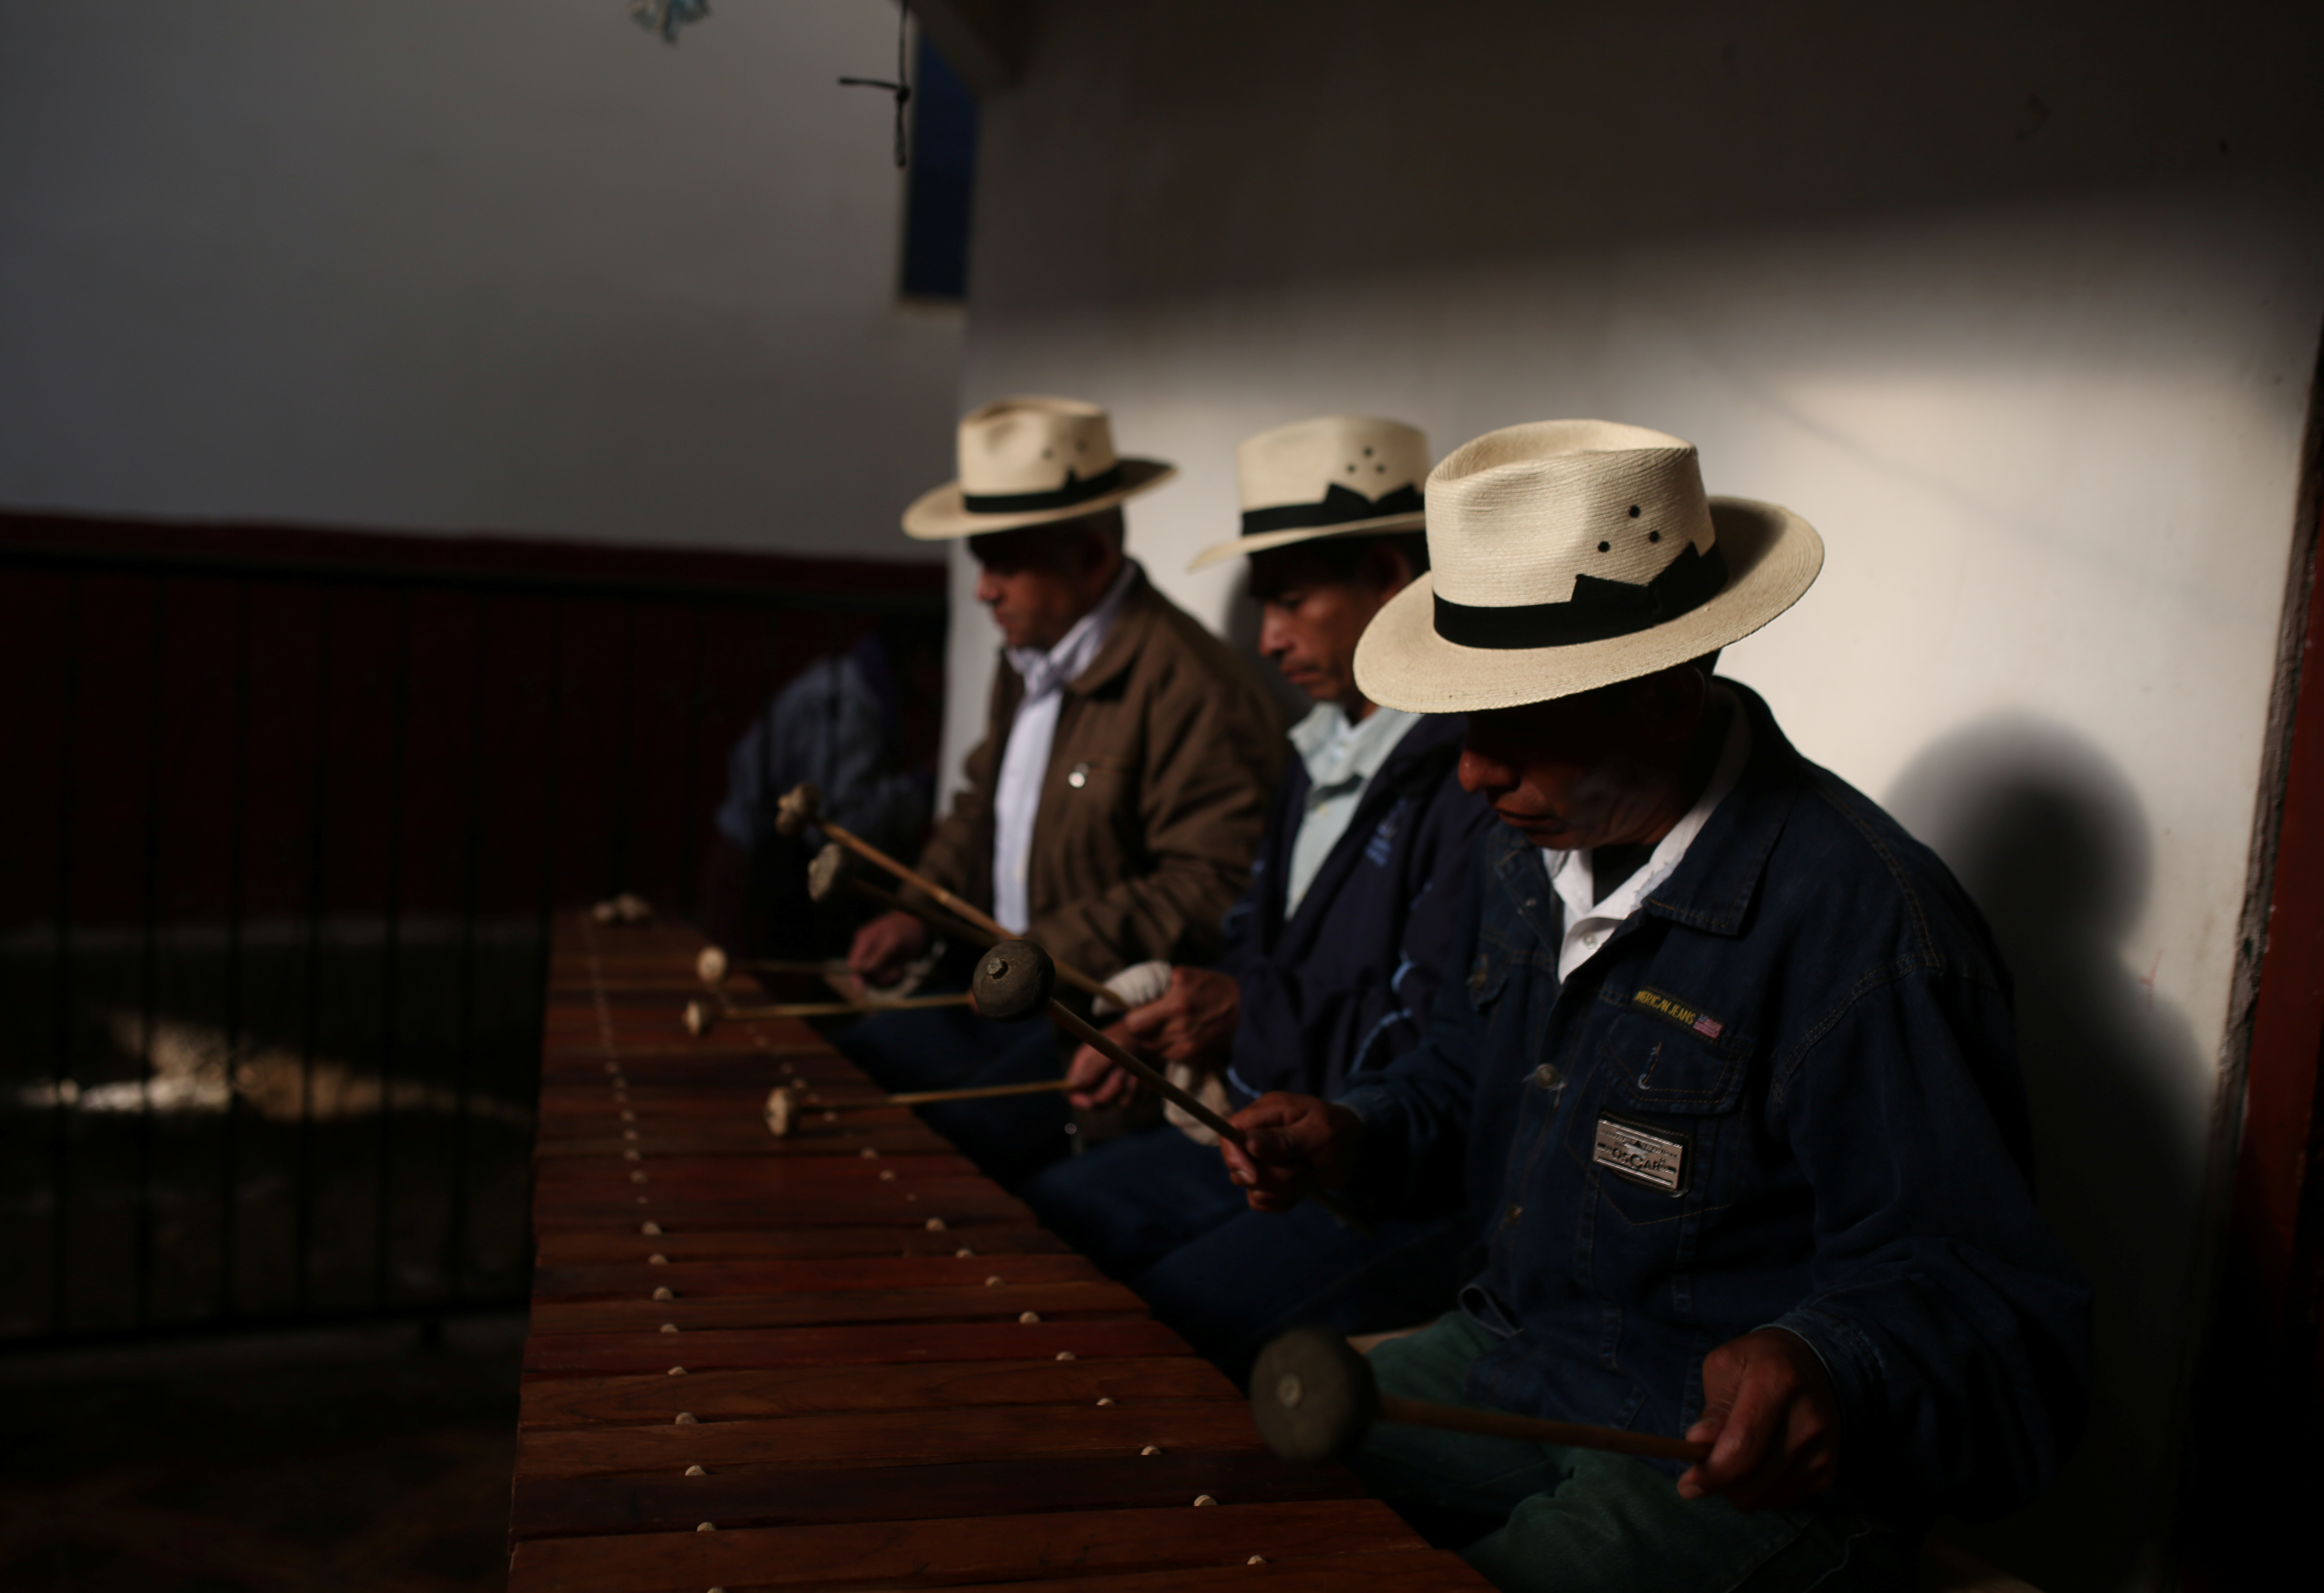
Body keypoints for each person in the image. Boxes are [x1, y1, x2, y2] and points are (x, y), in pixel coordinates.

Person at [1220, 420, 2093, 1591]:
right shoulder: (1523, 853)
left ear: (1666, 700)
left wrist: (1823, 1360)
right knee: (1228, 1472)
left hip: (1711, 1456)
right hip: (1515, 1357)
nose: (1472, 772)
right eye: (1463, 718)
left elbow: (1987, 1304)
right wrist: (1357, 1131)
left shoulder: (1872, 929)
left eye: (1515, 718)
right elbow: (1459, 1077)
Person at [1019, 417, 1491, 1369]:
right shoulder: (1315, 746)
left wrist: (1241, 1012)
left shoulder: (1472, 772)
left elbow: (1428, 1042)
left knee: (1153, 1322)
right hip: (1254, 1135)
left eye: (1290, 602)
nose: (1267, 640)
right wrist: (1167, 1014)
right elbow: (1246, 946)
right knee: (1045, 1220)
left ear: (1388, 577)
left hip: (1375, 1172)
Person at [832, 395, 1283, 1184]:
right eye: (982, 564)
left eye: (1004, 564)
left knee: (927, 1159)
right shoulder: (1033, 656)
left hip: (1091, 1028)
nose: (984, 592)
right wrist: (919, 905)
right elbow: (982, 805)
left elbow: (1213, 886)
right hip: (997, 990)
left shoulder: (1193, 688)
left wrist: (1045, 953)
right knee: (846, 1072)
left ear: (1089, 560)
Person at [701, 611, 944, 960]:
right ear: (921, 660)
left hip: (759, 867)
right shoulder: (848, 704)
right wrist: (923, 785)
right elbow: (844, 830)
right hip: (752, 875)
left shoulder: (848, 678)